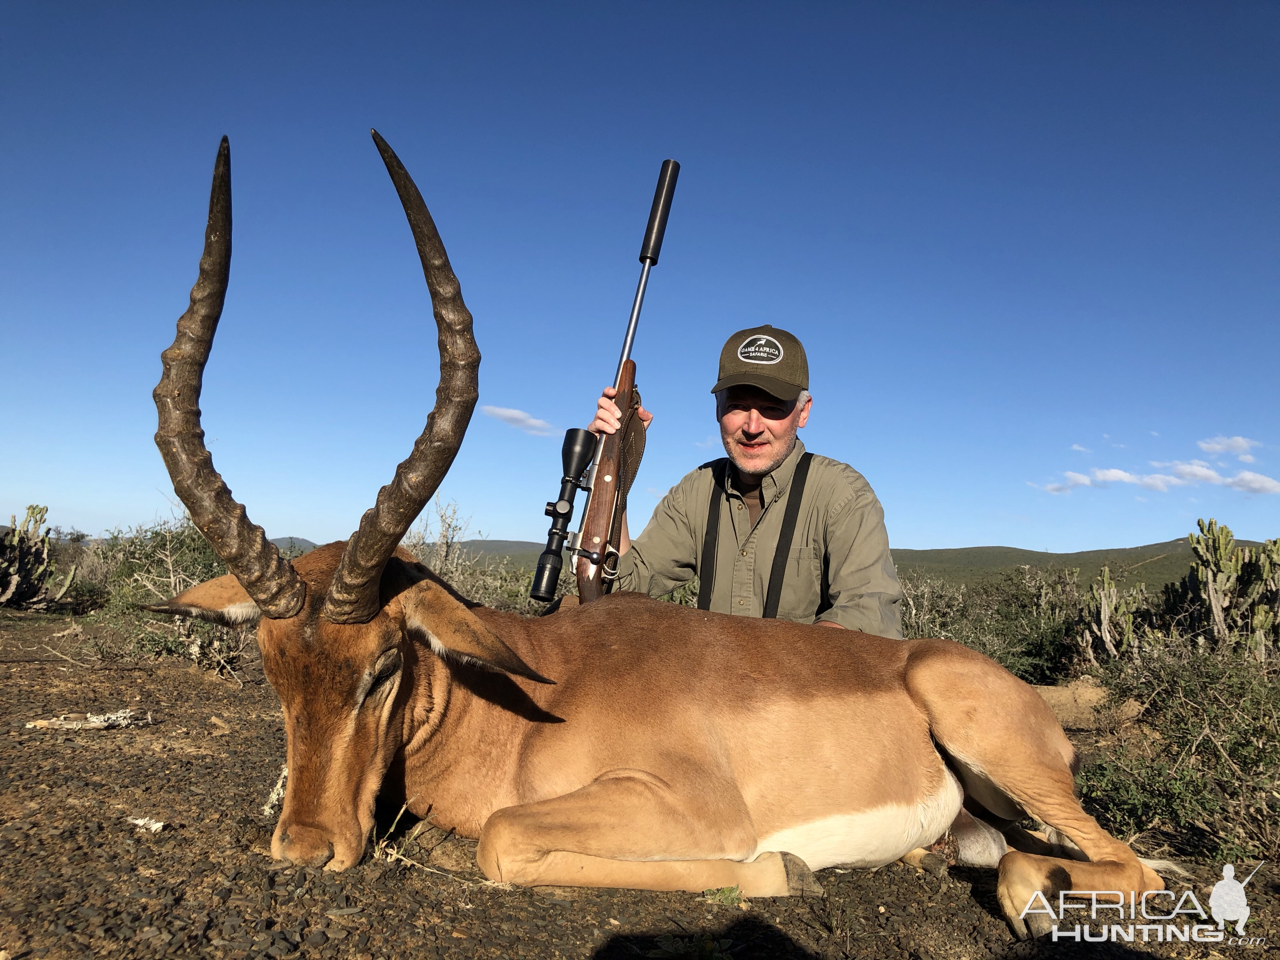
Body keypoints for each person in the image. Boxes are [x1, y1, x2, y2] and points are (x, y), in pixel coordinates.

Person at [589, 324, 902, 638]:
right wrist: (616, 471)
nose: (753, 426)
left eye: (772, 408)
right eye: (737, 406)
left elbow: (868, 613)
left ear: (803, 412)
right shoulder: (696, 490)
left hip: (803, 685)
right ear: (718, 409)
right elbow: (624, 584)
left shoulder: (842, 494)